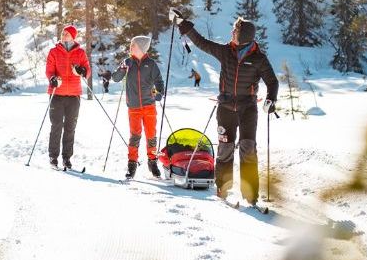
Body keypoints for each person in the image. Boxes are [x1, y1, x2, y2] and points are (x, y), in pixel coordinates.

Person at [172, 11, 278, 205]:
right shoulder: (225, 52)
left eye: (235, 30)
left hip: (248, 110)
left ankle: (250, 193)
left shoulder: (259, 59)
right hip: (226, 108)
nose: (232, 32)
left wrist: (271, 100)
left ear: (243, 35)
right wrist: (183, 24)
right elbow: (202, 42)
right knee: (225, 149)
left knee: (248, 149)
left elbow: (272, 82)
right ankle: (223, 188)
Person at [114, 35, 166, 180]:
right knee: (135, 137)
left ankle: (152, 162)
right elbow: (115, 78)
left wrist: (160, 92)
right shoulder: (128, 63)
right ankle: (132, 164)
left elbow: (159, 81)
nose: (131, 48)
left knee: (151, 136)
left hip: (149, 105)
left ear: (142, 48)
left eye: (134, 45)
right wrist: (123, 67)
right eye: (131, 45)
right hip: (134, 107)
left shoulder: (151, 64)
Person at [45, 24, 90, 170]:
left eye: (67, 33)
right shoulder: (54, 51)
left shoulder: (80, 53)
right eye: (63, 33)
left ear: (73, 36)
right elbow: (49, 70)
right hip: (57, 94)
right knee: (56, 126)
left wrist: (82, 71)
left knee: (70, 127)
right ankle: (53, 157)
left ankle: (66, 158)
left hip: (74, 95)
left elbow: (87, 70)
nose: (63, 35)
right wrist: (52, 78)